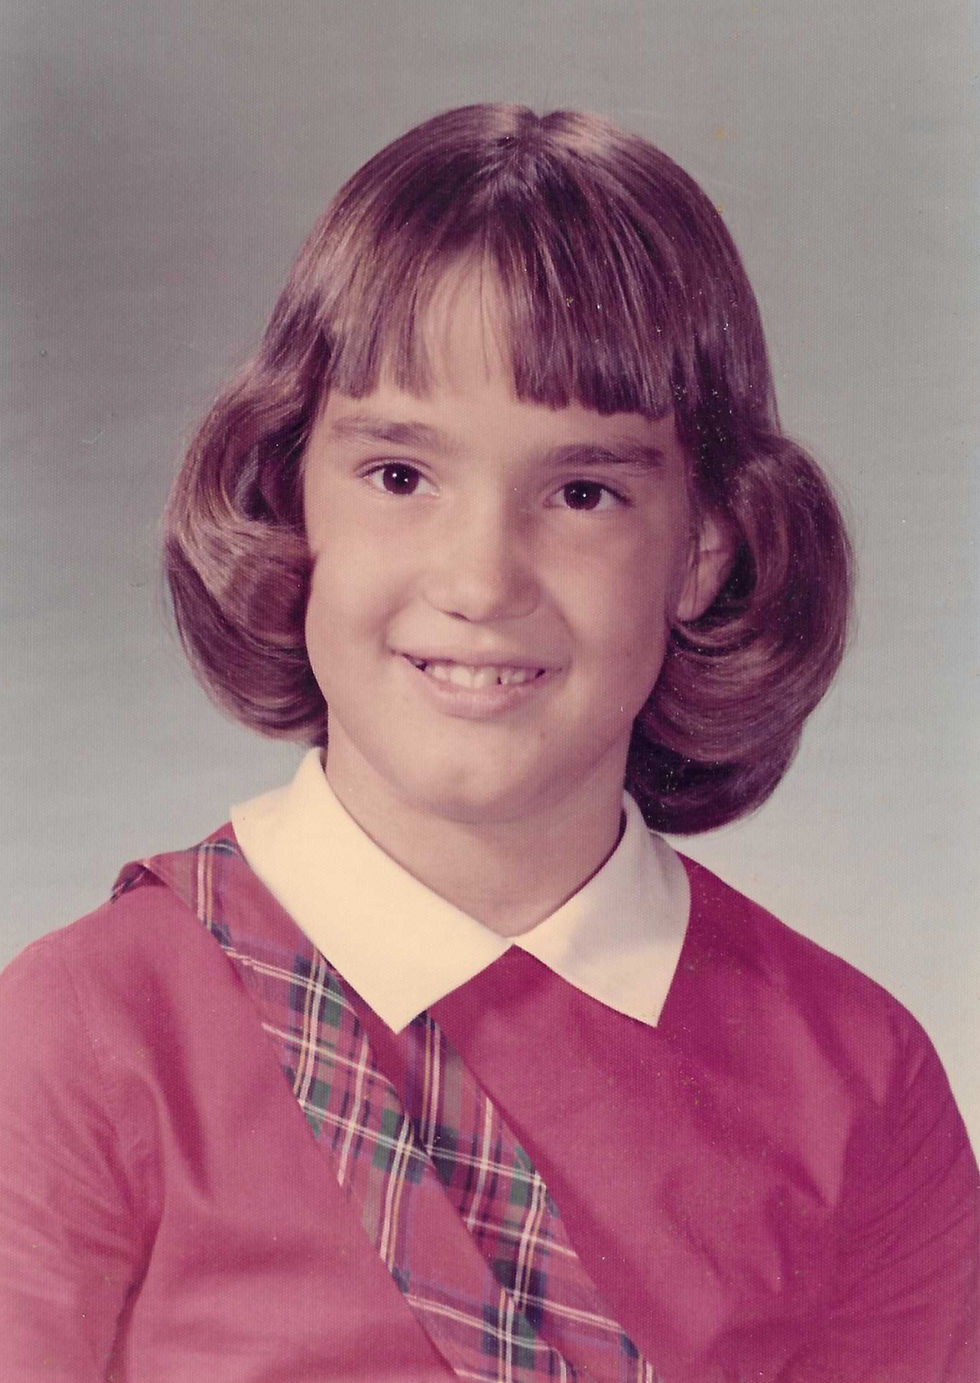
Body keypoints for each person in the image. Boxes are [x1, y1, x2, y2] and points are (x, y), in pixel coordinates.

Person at [0, 104, 976, 1383]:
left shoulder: (852, 1074)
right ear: (290, 494)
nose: (478, 579)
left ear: (703, 549)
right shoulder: (83, 1037)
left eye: (581, 494)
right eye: (399, 476)